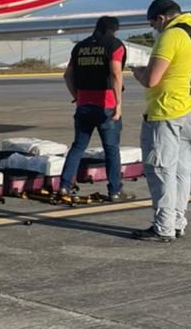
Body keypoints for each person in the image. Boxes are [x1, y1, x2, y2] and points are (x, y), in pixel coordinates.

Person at [130, 0, 191, 242]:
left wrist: (137, 71)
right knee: (182, 171)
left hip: (166, 113)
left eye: (153, 24)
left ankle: (163, 227)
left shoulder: (170, 37)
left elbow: (151, 79)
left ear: (161, 18)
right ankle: (178, 221)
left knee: (160, 170)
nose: (154, 30)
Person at [56, 16, 134, 201]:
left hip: (83, 104)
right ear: (114, 30)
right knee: (111, 149)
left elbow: (67, 75)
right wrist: (118, 104)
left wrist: (77, 96)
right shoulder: (114, 45)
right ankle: (115, 190)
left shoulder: (79, 47)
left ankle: (64, 186)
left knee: (78, 147)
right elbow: (115, 73)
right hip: (105, 104)